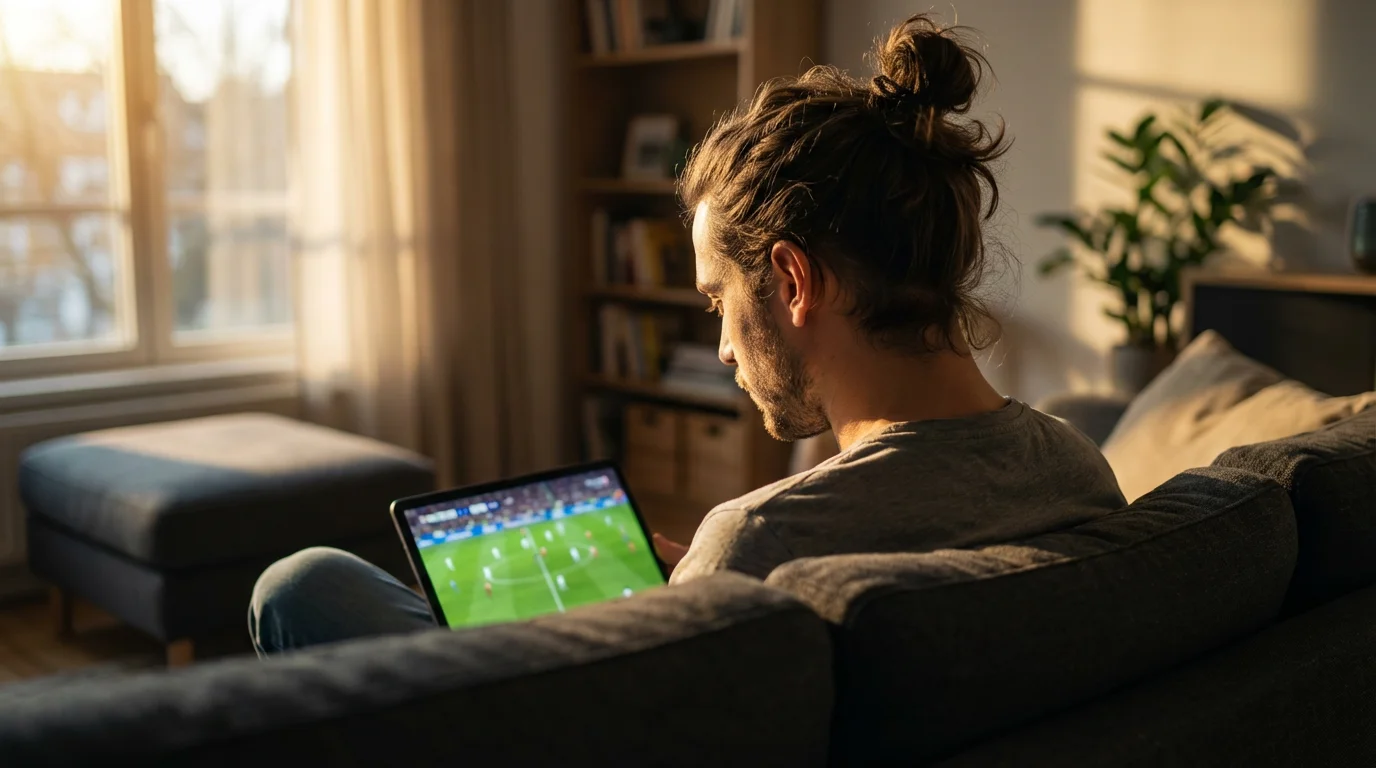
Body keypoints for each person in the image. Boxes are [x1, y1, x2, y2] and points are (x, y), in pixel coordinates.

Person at [246, 13, 1124, 657]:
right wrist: (696, 582)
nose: (725, 351)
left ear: (791, 281)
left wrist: (709, 572)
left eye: (716, 302)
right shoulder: (1078, 466)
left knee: (304, 585)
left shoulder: (764, 538)